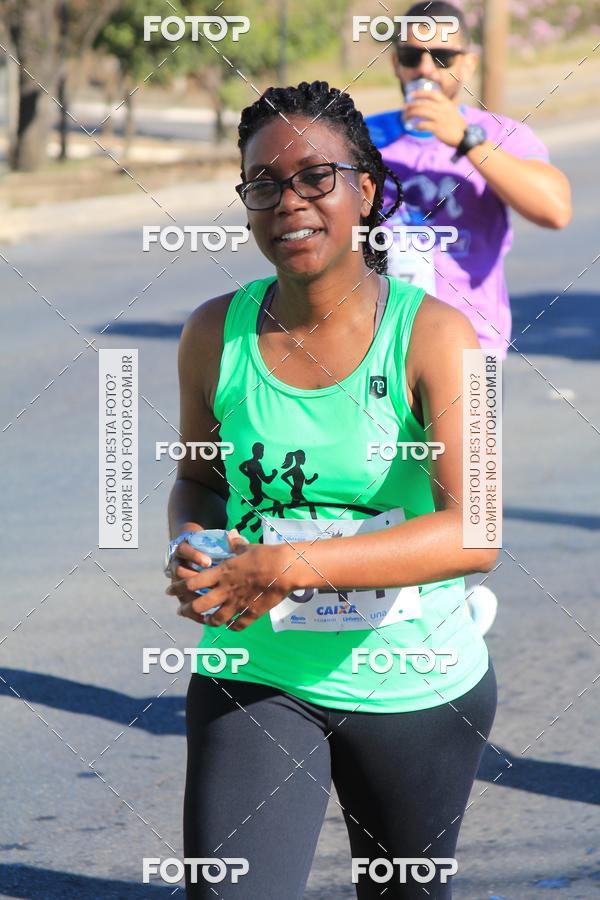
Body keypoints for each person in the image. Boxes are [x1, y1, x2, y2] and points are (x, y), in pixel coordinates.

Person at [166, 80, 498, 899]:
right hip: (258, 668)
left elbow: (477, 531)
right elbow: (198, 479)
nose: (290, 201)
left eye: (317, 176)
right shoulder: (213, 332)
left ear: (366, 192)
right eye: (264, 184)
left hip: (413, 680)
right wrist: (195, 546)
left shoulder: (438, 335)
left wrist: (287, 566)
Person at [365, 0, 572, 634]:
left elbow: (554, 208)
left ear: (469, 63)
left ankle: (448, 620)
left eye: (443, 56)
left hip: (469, 350)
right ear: (395, 62)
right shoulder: (363, 135)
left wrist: (465, 139)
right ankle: (379, 626)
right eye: (411, 54)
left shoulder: (501, 135)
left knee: (464, 505)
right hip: (370, 343)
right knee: (369, 486)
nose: (426, 68)